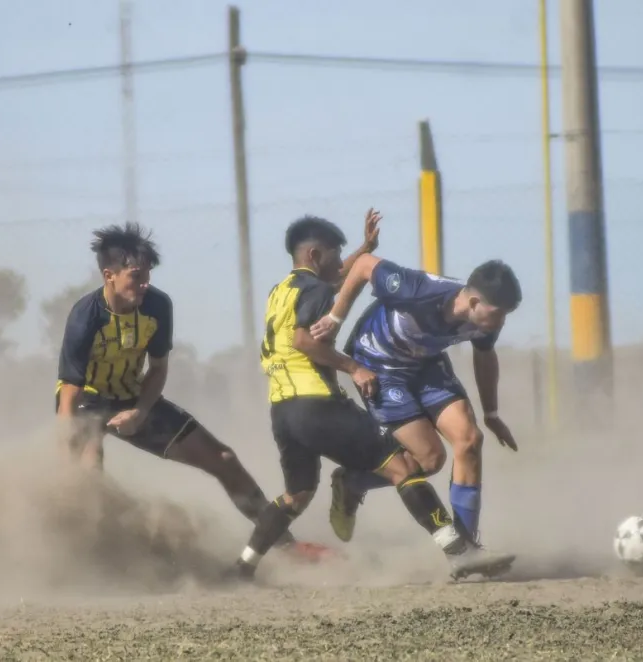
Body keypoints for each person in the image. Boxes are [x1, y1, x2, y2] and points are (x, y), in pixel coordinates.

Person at [234, 214, 515, 581]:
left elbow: (343, 273)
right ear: (316, 256)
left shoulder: (282, 290)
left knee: (297, 494)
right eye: (336, 257)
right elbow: (307, 333)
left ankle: (242, 568)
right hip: (341, 389)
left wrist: (491, 412)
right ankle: (454, 549)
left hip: (284, 407)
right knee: (413, 466)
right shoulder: (408, 289)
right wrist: (347, 352)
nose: (342, 266)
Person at [55, 221, 334, 566]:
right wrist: (65, 453)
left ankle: (283, 545)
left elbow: (157, 370)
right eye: (135, 276)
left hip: (132, 397)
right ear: (109, 275)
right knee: (87, 469)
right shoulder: (85, 317)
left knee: (224, 460)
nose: (144, 285)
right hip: (89, 401)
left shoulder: (156, 306)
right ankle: (85, 561)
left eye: (147, 276)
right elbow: (69, 394)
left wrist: (140, 412)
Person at [308, 253, 522, 557]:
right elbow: (364, 264)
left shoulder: (487, 322)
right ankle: (352, 480)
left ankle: (467, 548)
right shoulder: (415, 289)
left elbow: (485, 355)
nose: (501, 322)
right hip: (379, 366)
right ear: (474, 303)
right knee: (430, 459)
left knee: (470, 440)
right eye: (499, 313)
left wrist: (491, 413)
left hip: (425, 364)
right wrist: (335, 318)